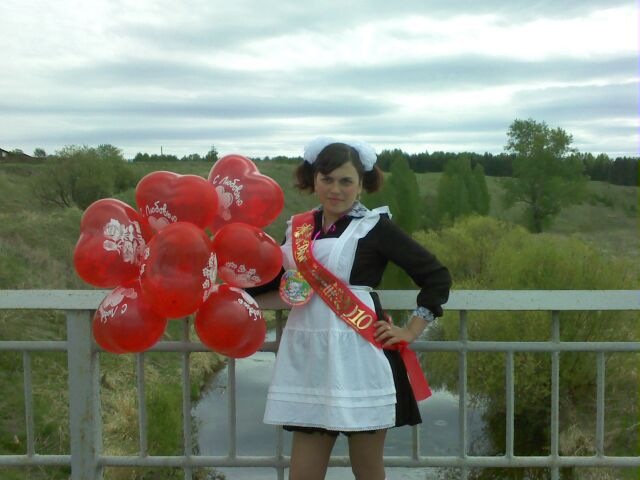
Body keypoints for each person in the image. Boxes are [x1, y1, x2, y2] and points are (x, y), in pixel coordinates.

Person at [251, 137, 451, 480]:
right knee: (303, 475)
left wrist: (410, 330)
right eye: (327, 179)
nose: (335, 189)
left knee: (367, 470)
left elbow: (436, 276)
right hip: (310, 360)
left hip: (362, 357)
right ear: (314, 180)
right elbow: (280, 285)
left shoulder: (375, 227)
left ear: (361, 184)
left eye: (346, 181)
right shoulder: (298, 228)